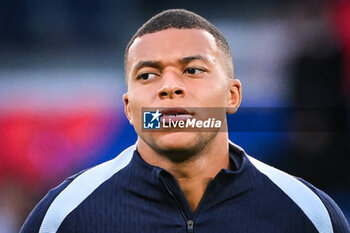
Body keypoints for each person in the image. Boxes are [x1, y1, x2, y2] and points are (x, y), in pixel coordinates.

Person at [20, 9, 349, 233]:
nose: (170, 87)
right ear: (129, 109)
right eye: (148, 75)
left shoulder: (309, 214)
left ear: (232, 96)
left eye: (193, 70)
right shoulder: (64, 215)